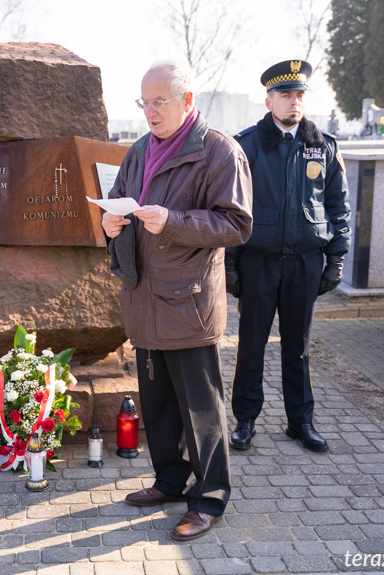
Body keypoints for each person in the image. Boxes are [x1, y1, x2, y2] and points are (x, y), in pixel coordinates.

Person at [102, 61, 253, 541]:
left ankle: (208, 499)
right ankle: (170, 480)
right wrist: (109, 224)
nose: (150, 112)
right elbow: (117, 197)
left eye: (159, 101)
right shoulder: (140, 149)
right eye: (144, 102)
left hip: (187, 303)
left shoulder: (219, 152)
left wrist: (173, 220)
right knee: (159, 403)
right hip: (146, 298)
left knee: (201, 409)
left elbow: (236, 225)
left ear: (188, 101)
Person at [227, 60, 351, 453]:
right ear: (269, 101)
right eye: (285, 95)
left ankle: (301, 422)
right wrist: (230, 264)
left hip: (304, 262)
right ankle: (245, 421)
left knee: (298, 347)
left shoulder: (323, 145)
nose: (293, 101)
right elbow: (231, 207)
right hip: (258, 262)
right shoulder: (245, 145)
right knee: (251, 345)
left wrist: (336, 260)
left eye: (299, 94)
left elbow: (338, 206)